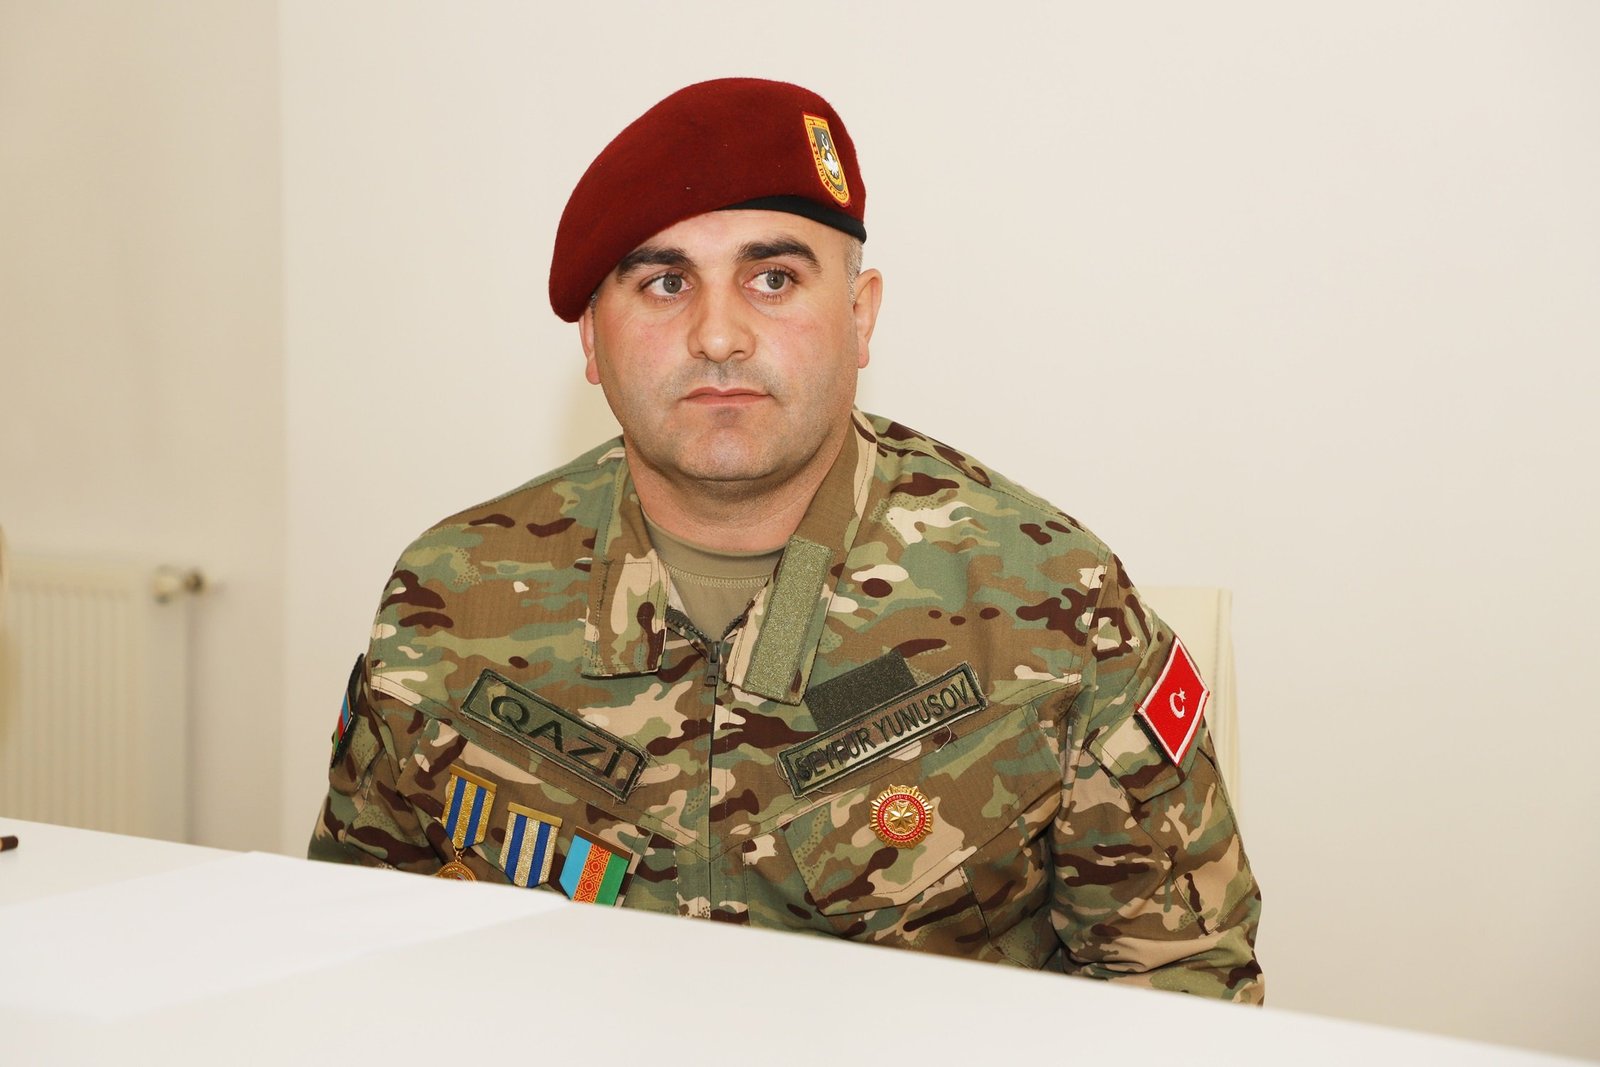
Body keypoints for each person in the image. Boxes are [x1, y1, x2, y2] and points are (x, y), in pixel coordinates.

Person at [309, 77, 1264, 1003]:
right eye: (664, 282)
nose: (718, 335)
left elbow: (1184, 991)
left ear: (860, 316)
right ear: (592, 341)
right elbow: (353, 954)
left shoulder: (1052, 605)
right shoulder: (450, 598)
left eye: (773, 279)